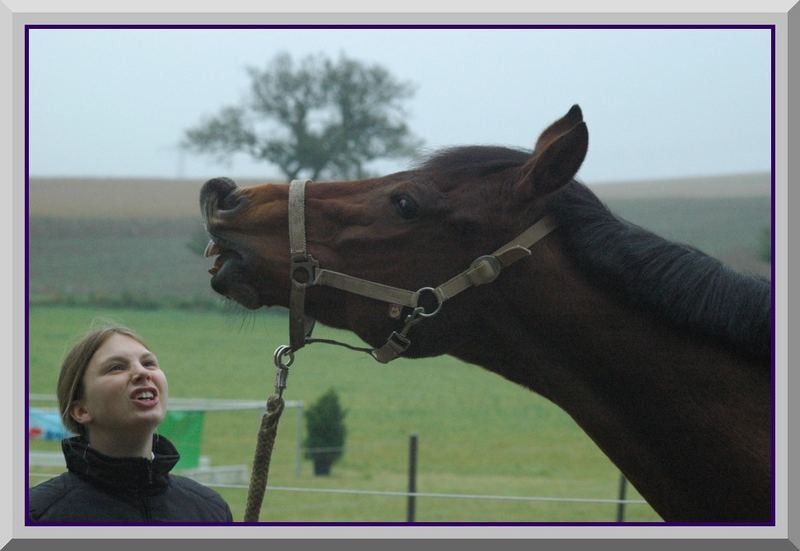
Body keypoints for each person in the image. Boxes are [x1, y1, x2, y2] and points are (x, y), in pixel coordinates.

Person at [29, 326, 233, 522]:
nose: (142, 373)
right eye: (116, 367)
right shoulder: (37, 515)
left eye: (149, 363)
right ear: (82, 410)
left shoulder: (210, 511)